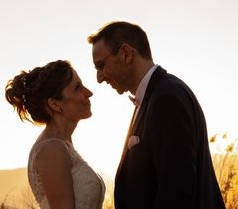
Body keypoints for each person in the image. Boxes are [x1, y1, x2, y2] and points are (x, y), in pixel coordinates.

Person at [88, 21, 225, 209]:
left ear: (126, 54)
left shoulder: (166, 98)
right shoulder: (154, 97)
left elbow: (177, 191)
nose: (99, 78)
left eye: (101, 66)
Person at [5, 60, 105, 209]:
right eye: (77, 88)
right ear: (55, 104)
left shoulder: (62, 144)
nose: (89, 93)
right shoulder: (52, 149)